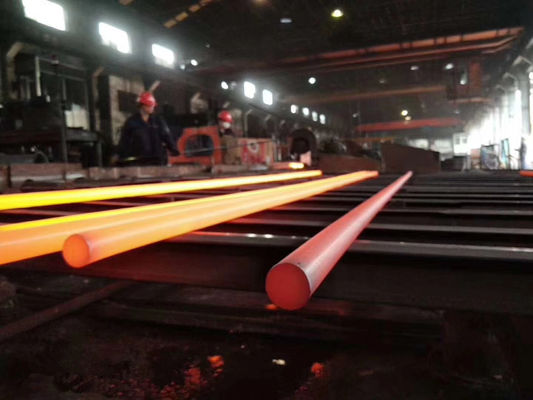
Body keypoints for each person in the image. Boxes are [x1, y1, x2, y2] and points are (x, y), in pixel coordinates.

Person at [117, 92, 179, 165]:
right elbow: (125, 141)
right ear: (142, 105)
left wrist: (173, 149)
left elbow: (166, 136)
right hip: (140, 161)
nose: (152, 107)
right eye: (150, 105)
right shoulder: (131, 122)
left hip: (157, 160)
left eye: (153, 105)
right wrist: (120, 156)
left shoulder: (158, 121)